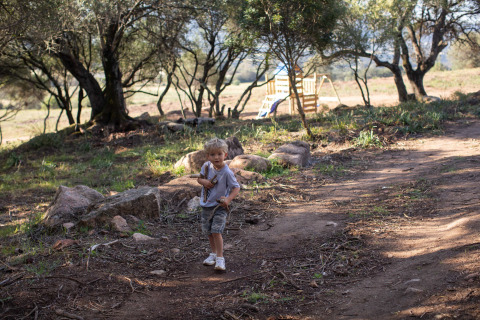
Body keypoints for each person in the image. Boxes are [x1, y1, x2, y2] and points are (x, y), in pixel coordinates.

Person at [197, 138, 240, 271]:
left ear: (225, 155)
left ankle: (220, 259)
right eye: (212, 154)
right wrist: (204, 182)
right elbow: (199, 178)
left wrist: (228, 199)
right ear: (207, 156)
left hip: (219, 206)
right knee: (209, 232)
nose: (216, 157)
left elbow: (236, 187)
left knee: (216, 231)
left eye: (219, 154)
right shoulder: (206, 166)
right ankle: (213, 254)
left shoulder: (226, 172)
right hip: (206, 205)